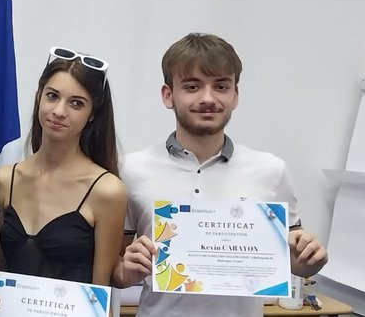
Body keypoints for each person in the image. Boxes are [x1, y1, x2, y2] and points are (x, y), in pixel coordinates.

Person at [112, 33, 328, 317]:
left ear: (235, 95)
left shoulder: (271, 170)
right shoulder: (130, 170)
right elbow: (114, 268)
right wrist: (126, 270)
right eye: (192, 86)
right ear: (168, 95)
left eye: (221, 86)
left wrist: (310, 259)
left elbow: (294, 261)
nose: (208, 98)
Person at [0, 47, 126, 286]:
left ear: (92, 114)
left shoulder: (107, 191)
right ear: (39, 96)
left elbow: (100, 293)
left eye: (76, 103)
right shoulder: (4, 180)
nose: (59, 111)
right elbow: (1, 278)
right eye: (52, 96)